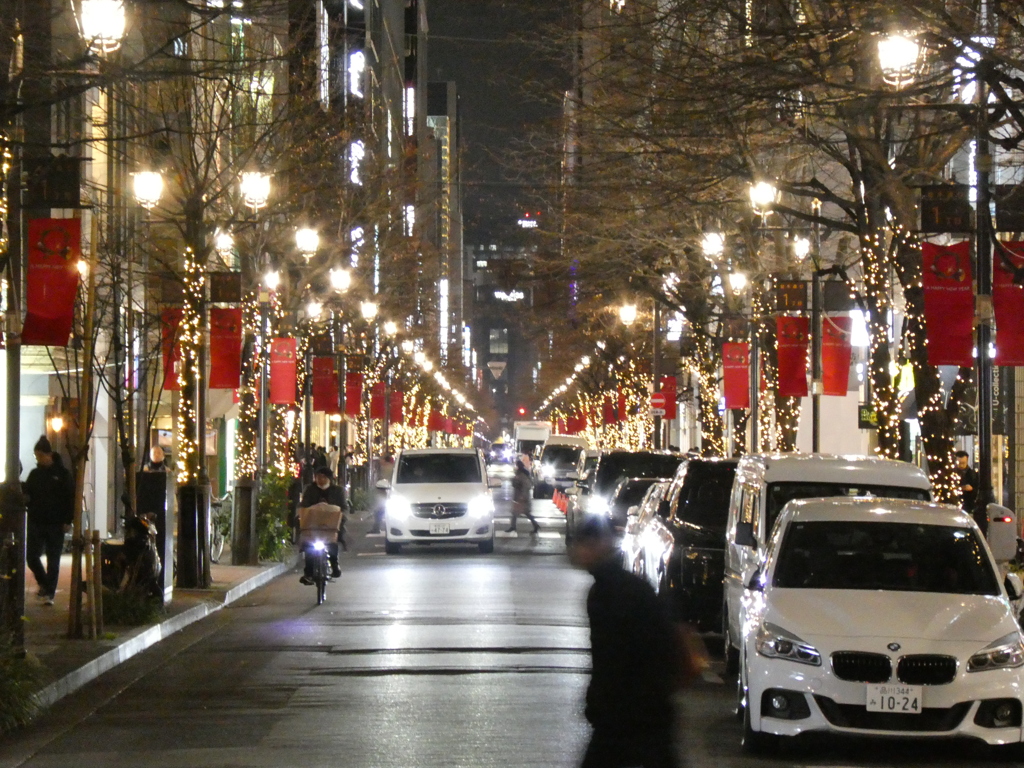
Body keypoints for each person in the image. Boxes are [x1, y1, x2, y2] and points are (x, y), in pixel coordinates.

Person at [568, 515, 680, 768]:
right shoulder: (625, 588)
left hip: (628, 715)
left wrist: (599, 703)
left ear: (599, 544)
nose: (576, 552)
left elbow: (612, 658)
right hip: (646, 710)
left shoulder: (610, 594)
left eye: (582, 544)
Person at [24, 436, 74, 606]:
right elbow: (28, 494)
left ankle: (49, 592)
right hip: (37, 521)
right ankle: (45, 584)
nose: (38, 459)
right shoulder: (35, 474)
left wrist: (68, 519)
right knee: (31, 556)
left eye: (40, 456)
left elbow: (70, 498)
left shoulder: (63, 474)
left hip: (56, 523)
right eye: (36, 456)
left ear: (49, 454)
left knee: (54, 560)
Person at [298, 467, 346, 583]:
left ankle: (334, 565)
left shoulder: (337, 490)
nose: (320, 479)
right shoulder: (310, 489)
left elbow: (343, 507)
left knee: (333, 543)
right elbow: (304, 506)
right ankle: (308, 573)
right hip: (313, 525)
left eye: (323, 477)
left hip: (330, 526)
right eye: (318, 477)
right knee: (309, 546)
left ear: (329, 478)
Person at [508, 459, 540, 535]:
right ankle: (513, 526)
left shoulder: (522, 475)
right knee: (516, 512)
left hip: (522, 497)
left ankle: (535, 526)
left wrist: (523, 496)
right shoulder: (520, 474)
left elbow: (526, 486)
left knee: (525, 512)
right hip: (519, 496)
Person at [370, 453, 395, 534]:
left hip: (383, 491)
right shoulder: (393, 467)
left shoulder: (386, 468)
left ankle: (376, 528)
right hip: (391, 491)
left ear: (385, 460)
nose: (380, 461)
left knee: (379, 511)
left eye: (381, 459)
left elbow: (382, 479)